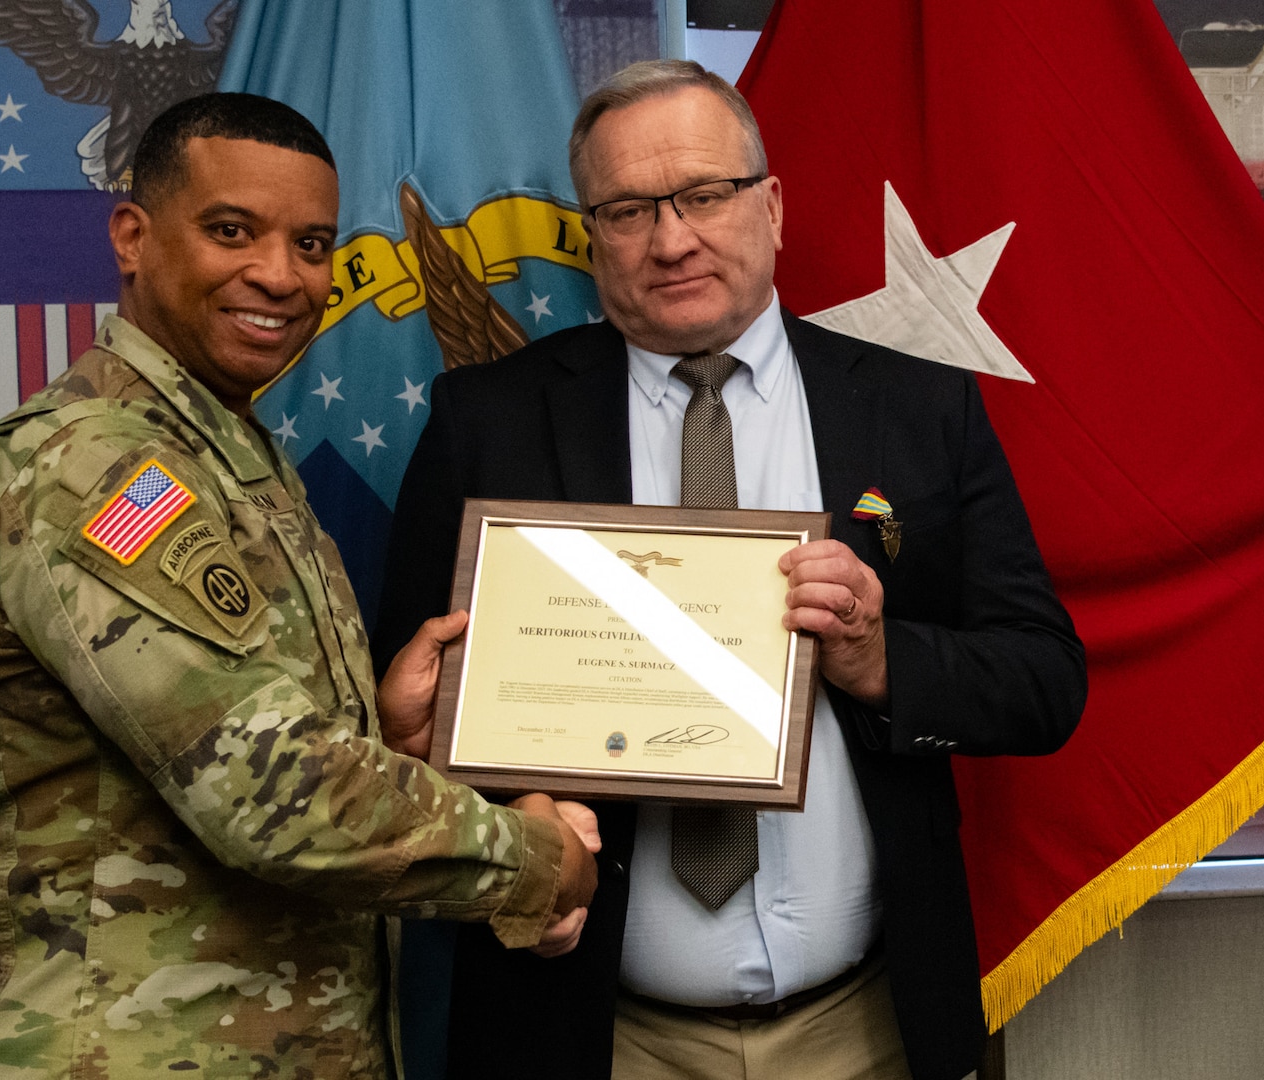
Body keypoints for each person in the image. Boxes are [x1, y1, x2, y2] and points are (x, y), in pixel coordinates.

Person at [374, 60, 1086, 1080]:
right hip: (594, 1036)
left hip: (867, 1029)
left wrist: (881, 662)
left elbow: (1044, 681)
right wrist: (508, 815)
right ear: (593, 234)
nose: (671, 240)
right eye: (628, 211)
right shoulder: (487, 423)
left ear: (773, 206)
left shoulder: (918, 408)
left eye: (705, 195)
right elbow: (410, 714)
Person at [0, 92, 597, 1079]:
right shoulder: (98, 468)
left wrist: (381, 730)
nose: (279, 275)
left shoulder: (219, 451)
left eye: (311, 244)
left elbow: (196, 734)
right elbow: (266, 787)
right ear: (133, 237)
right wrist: (536, 860)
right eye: (231, 231)